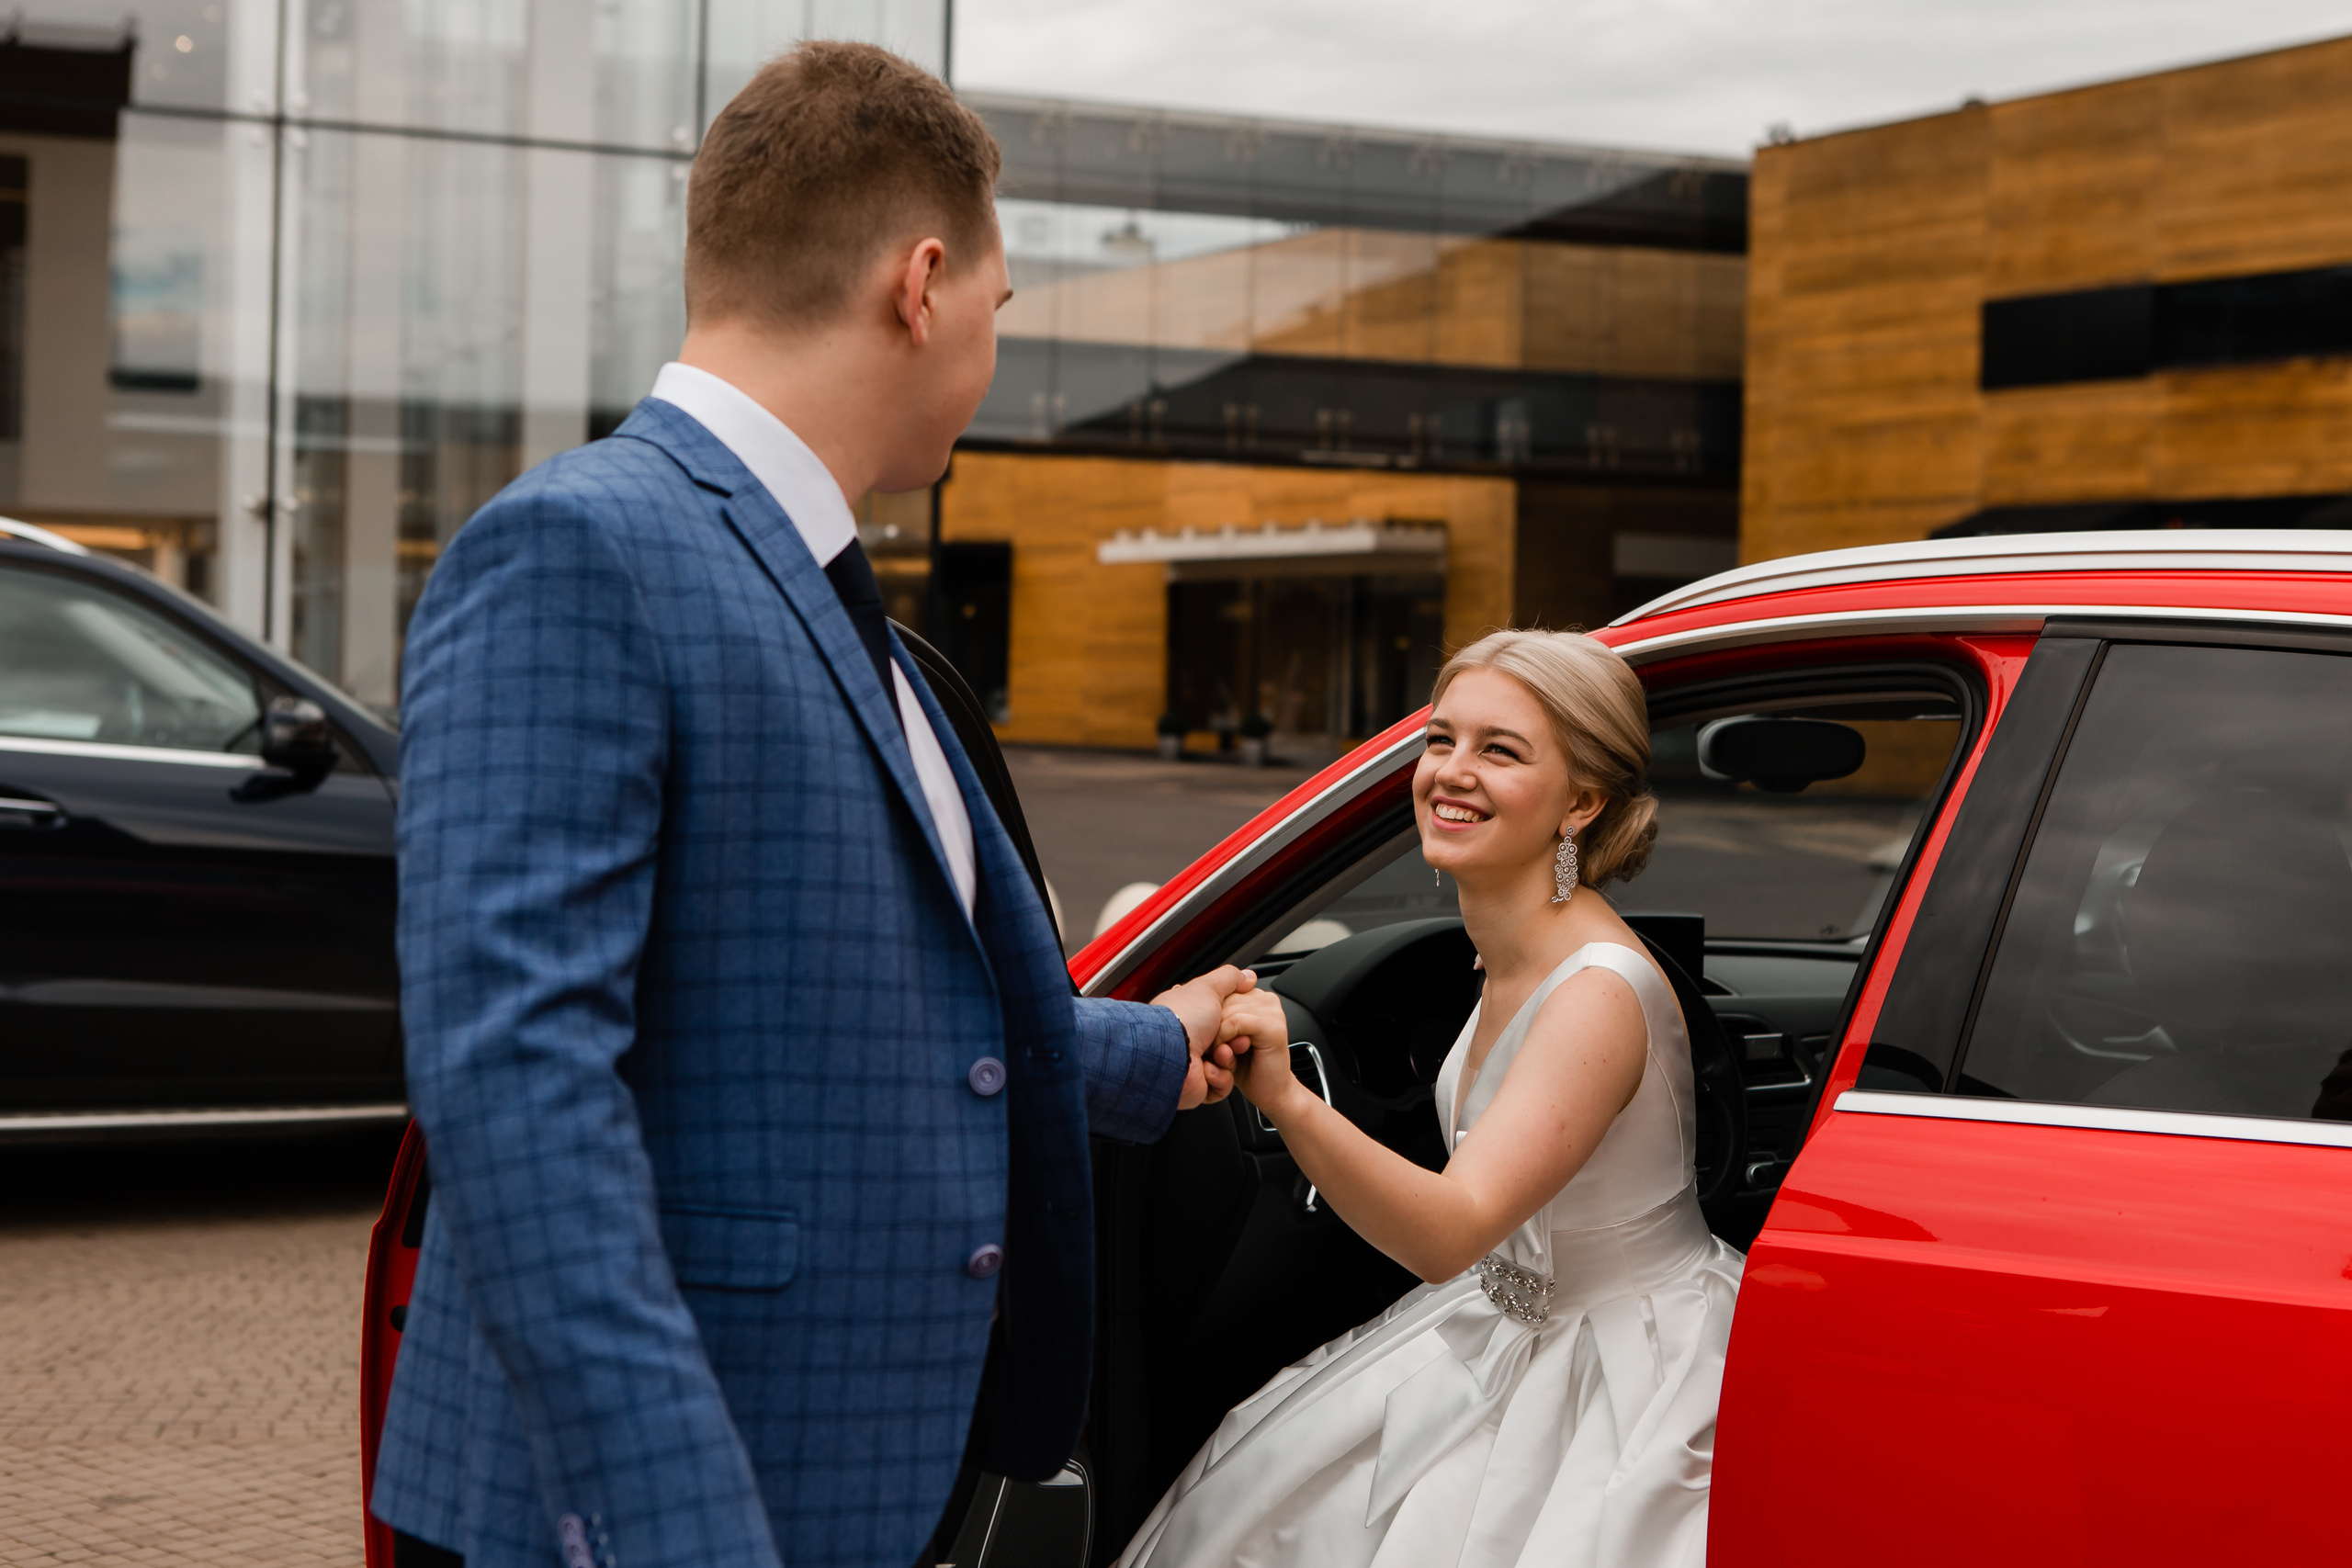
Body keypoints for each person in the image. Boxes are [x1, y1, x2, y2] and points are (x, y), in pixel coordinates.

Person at [368, 42, 1254, 1568]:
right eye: (1000, 301)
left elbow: (859, 1007)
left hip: (852, 1477)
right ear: (922, 282)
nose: (994, 338)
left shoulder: (857, 619)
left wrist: (1155, 1048)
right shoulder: (577, 552)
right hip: (662, 1516)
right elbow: (518, 1102)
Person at [1117, 629, 1745, 1568]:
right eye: (1440, 739)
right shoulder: (1509, 946)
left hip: (1620, 1364)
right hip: (1508, 1323)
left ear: (1581, 801)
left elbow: (1454, 1231)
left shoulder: (1595, 995)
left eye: (1499, 750)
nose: (1449, 772)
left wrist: (1289, 1098)